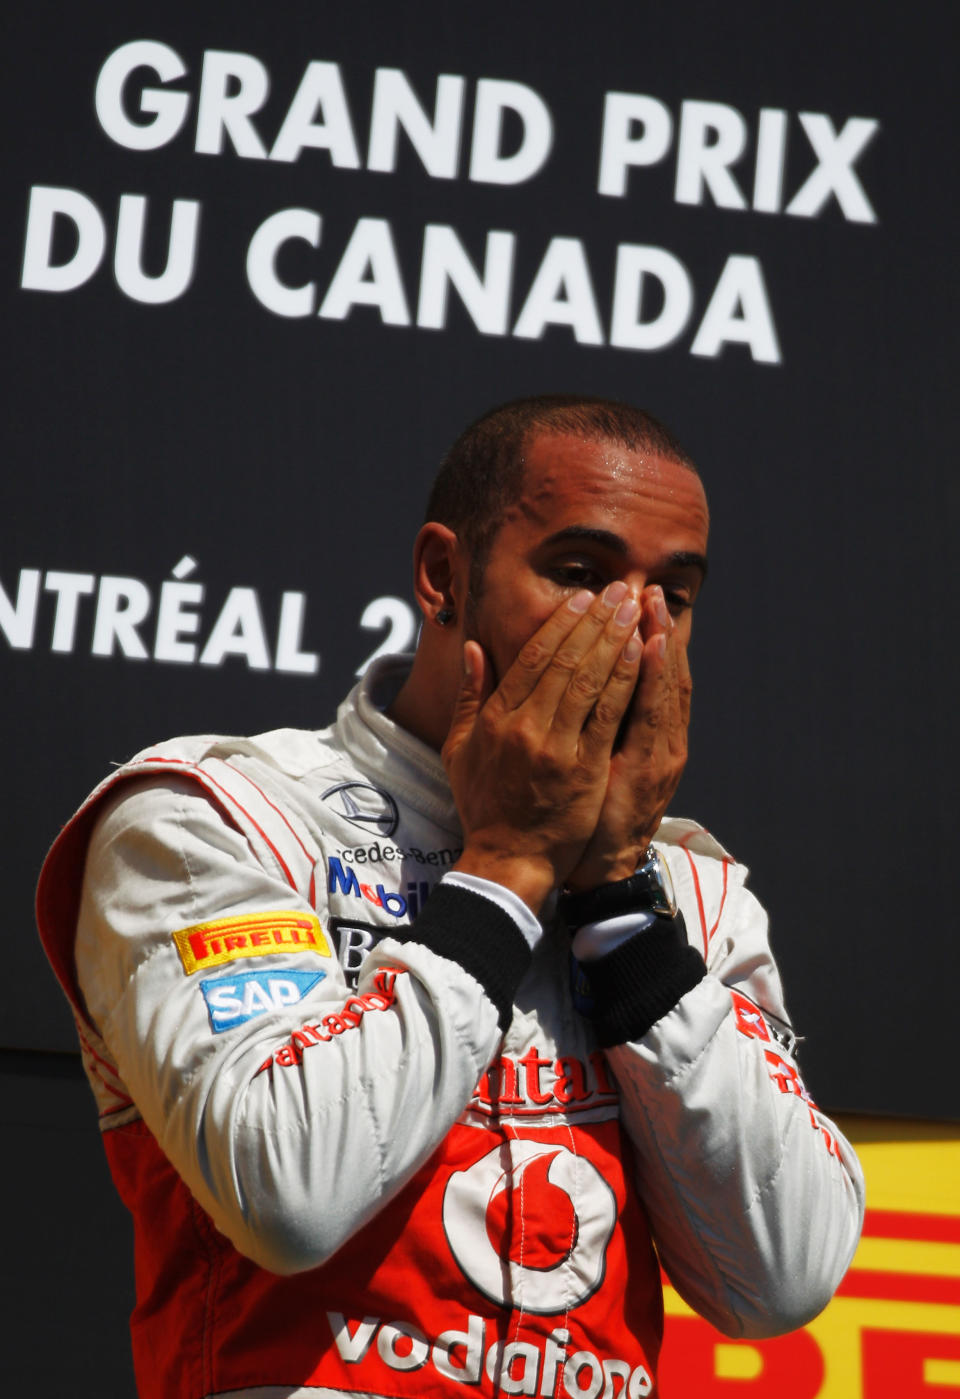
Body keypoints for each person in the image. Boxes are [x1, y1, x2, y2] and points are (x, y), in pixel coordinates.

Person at [37, 394, 864, 1399]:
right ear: (444, 578)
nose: (633, 633)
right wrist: (510, 864)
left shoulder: (691, 887)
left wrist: (618, 903)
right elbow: (285, 1193)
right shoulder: (215, 816)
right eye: (582, 576)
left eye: (673, 597)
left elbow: (783, 1278)